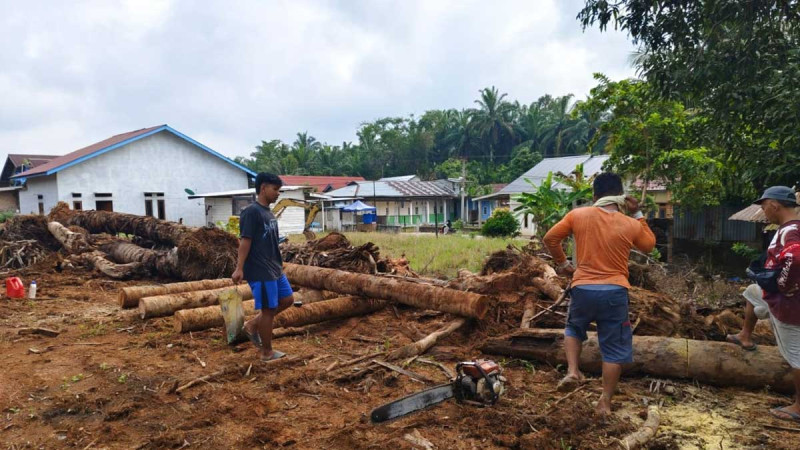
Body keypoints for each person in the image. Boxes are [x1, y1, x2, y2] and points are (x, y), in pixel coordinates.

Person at [543, 172, 656, 416]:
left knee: (574, 328)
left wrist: (562, 264)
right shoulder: (630, 223)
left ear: (594, 195)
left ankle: (573, 370)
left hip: (582, 287)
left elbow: (550, 238)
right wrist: (637, 213)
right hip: (615, 290)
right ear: (621, 197)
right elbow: (649, 245)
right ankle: (604, 402)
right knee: (613, 348)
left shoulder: (578, 215)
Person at [726, 186, 800, 423]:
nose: (763, 210)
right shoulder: (791, 229)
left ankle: (799, 407)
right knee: (751, 292)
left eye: (764, 205)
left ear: (774, 205)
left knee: (796, 357)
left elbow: (795, 258)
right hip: (776, 296)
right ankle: (745, 336)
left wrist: (783, 284)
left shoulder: (790, 231)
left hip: (789, 304)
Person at [232, 172, 295, 361]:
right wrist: (239, 268)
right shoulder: (251, 212)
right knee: (268, 309)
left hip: (274, 268)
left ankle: (252, 325)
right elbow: (245, 241)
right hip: (260, 270)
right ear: (263, 188)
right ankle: (266, 352)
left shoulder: (268, 212)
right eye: (275, 189)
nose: (278, 194)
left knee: (287, 299)